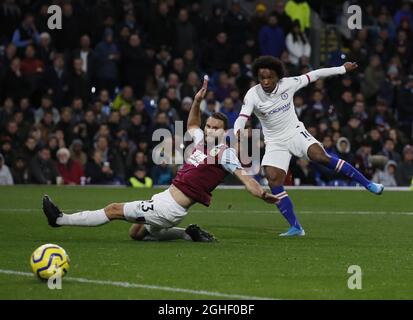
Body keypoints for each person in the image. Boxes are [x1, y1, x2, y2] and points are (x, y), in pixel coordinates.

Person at [42, 77, 279, 242]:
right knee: (136, 234)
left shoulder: (225, 153)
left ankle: (60, 219)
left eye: (216, 128)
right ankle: (188, 234)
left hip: (169, 208)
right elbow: (193, 124)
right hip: (164, 198)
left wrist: (261, 193)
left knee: (113, 209)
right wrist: (197, 102)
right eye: (209, 126)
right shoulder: (201, 141)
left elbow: (245, 178)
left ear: (223, 132)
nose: (209, 130)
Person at [234, 56, 384, 237]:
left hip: (295, 133)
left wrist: (341, 69)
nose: (265, 82)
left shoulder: (288, 84)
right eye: (261, 78)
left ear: (277, 77)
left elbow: (315, 75)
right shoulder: (252, 95)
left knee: (321, 157)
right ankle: (296, 227)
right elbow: (243, 117)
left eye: (269, 77)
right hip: (275, 141)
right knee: (273, 179)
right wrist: (238, 131)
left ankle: (368, 184)